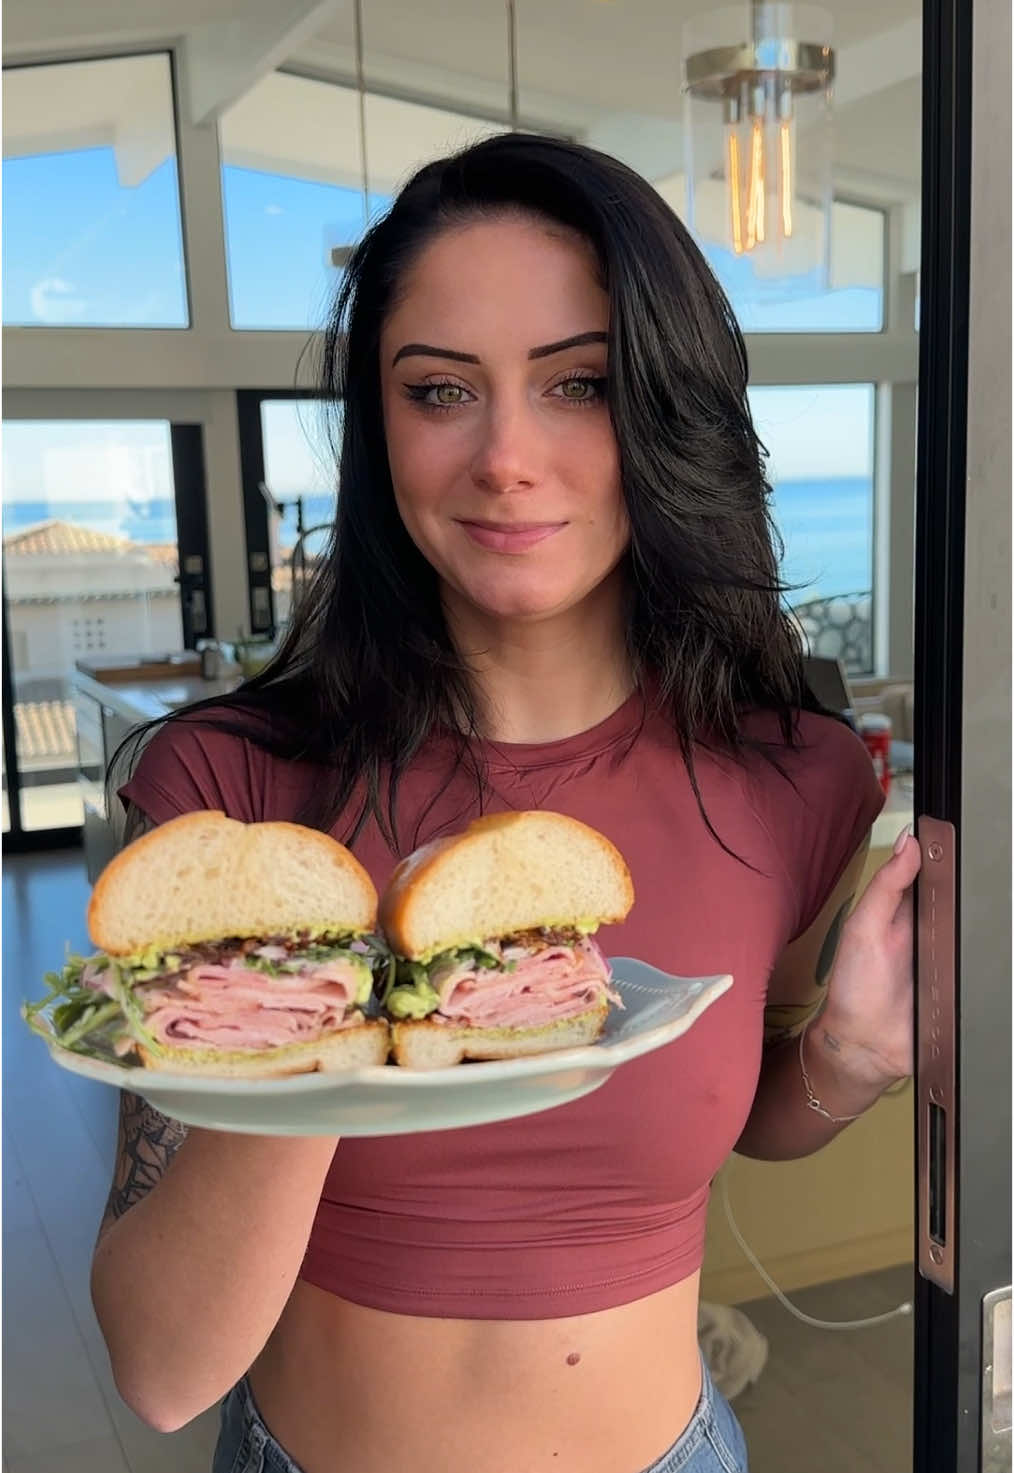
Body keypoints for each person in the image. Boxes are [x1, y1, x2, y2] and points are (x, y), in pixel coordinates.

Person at [92, 133, 920, 1473]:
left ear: (664, 403)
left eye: (578, 383)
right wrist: (320, 1010)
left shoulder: (796, 776)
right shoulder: (233, 811)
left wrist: (844, 1062)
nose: (505, 458)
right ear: (380, 428)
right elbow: (159, 1362)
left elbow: (714, 1106)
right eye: (438, 391)